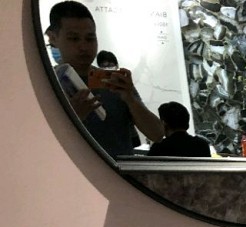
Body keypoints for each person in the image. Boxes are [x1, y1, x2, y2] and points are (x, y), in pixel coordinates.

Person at [47, 1, 163, 157]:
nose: (83, 47)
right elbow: (38, 145)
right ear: (53, 38)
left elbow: (157, 134)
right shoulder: (47, 84)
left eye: (90, 38)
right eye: (74, 39)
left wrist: (130, 99)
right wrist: (73, 118)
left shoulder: (113, 82)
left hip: (118, 172)